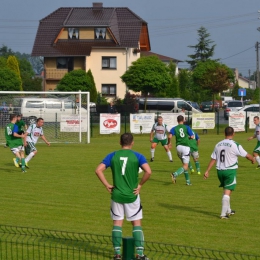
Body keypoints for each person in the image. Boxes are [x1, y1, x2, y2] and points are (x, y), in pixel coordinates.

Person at [95, 133, 151, 260]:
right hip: (132, 195)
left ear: (120, 142)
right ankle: (140, 254)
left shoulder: (112, 155)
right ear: (132, 142)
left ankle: (117, 254)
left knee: (117, 223)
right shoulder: (138, 156)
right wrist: (140, 185)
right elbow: (148, 171)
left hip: (117, 195)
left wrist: (106, 185)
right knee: (136, 223)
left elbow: (98, 170)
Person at [204, 126, 255, 219]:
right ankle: (223, 214)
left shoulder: (218, 144)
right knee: (227, 192)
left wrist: (207, 171)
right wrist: (252, 159)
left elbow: (213, 159)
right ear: (233, 134)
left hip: (219, 171)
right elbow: (247, 155)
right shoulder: (235, 144)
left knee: (226, 190)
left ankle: (228, 210)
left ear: (224, 133)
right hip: (230, 171)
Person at [168, 115, 194, 185]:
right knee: (185, 165)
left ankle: (188, 182)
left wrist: (169, 143)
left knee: (184, 165)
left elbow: (169, 136)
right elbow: (192, 136)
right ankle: (175, 174)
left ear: (177, 120)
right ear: (183, 120)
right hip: (185, 147)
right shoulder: (187, 127)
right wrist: (189, 137)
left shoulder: (174, 128)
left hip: (178, 147)